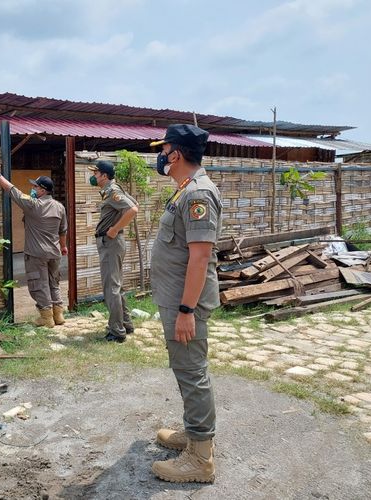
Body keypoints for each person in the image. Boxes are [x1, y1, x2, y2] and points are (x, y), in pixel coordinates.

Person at [149, 124, 221, 483]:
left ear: (175, 154)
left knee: (192, 373)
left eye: (163, 149)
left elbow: (200, 258)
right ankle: (193, 435)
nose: (160, 156)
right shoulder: (184, 191)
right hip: (175, 298)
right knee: (185, 370)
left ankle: (201, 458)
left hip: (185, 303)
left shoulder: (198, 195)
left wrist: (186, 311)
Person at [0, 162, 68, 327]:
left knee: (40, 284)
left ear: (43, 190)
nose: (33, 189)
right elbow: (63, 231)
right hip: (55, 252)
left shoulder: (33, 204)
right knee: (53, 282)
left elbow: (12, 191)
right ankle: (58, 315)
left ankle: (46, 318)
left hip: (37, 253)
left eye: (36, 187)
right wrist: (64, 247)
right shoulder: (59, 207)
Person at [86, 160, 138, 342]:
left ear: (104, 176)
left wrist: (115, 229)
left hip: (111, 242)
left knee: (111, 288)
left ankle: (116, 330)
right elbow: (134, 202)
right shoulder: (114, 190)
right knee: (117, 286)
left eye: (96, 173)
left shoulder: (112, 191)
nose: (93, 176)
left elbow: (132, 209)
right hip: (113, 243)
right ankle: (126, 323)